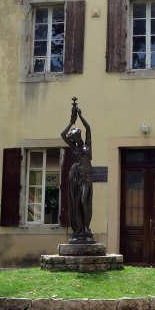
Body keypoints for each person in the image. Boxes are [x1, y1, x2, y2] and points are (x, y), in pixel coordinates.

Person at [61, 99, 95, 244]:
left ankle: (86, 227)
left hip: (86, 178)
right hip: (76, 177)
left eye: (75, 133)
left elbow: (88, 128)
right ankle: (79, 229)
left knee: (83, 200)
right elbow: (63, 134)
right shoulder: (74, 147)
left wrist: (80, 116)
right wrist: (71, 121)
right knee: (77, 203)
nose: (74, 135)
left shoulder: (87, 145)